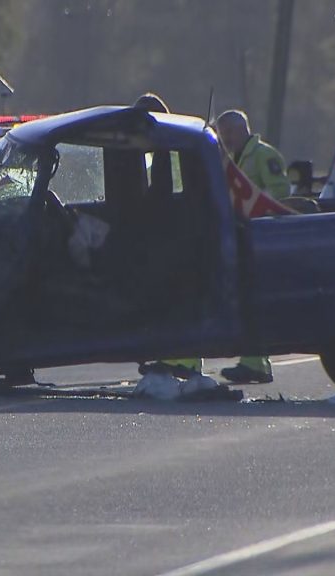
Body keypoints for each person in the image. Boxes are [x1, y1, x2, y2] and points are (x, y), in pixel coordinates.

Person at [131, 94, 207, 382]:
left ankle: (183, 361)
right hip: (175, 232)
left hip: (176, 234)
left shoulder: (169, 148)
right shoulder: (173, 144)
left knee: (177, 298)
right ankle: (171, 358)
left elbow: (163, 192)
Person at [215, 109, 291, 384]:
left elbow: (281, 192)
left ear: (240, 129)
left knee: (252, 299)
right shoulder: (233, 158)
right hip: (242, 237)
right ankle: (255, 363)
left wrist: (253, 208)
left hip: (261, 237)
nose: (225, 140)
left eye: (227, 134)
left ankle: (254, 363)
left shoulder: (263, 155)